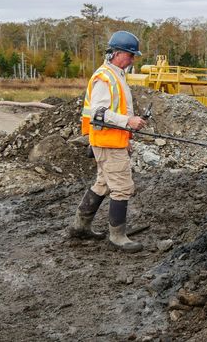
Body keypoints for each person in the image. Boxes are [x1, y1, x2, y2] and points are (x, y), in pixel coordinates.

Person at [67, 31, 147, 252]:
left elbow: (114, 111)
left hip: (112, 140)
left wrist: (126, 136)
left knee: (103, 184)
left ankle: (80, 227)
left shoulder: (116, 74)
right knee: (122, 187)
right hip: (107, 142)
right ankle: (118, 237)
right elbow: (98, 113)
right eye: (130, 55)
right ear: (118, 54)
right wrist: (129, 121)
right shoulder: (105, 78)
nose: (133, 60)